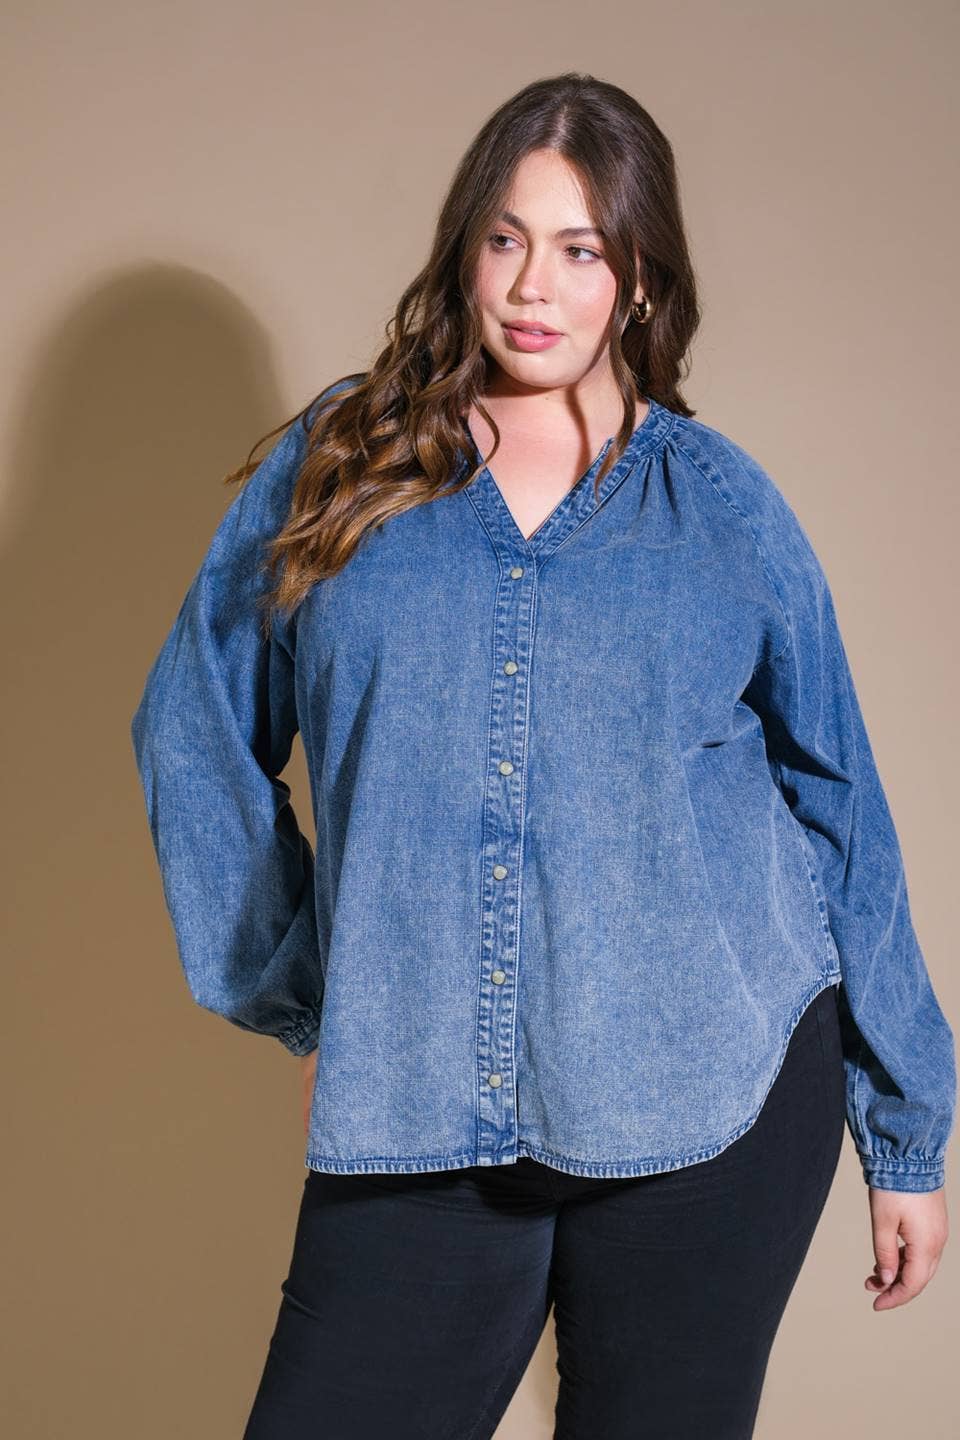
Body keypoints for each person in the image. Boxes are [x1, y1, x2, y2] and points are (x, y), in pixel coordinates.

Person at [130, 72, 955, 1440]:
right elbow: (193, 732)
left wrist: (907, 1132)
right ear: (464, 248)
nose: (532, 286)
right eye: (506, 238)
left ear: (638, 280)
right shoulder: (344, 464)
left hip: (713, 1101)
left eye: (581, 249)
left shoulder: (720, 506)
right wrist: (314, 1001)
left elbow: (840, 807)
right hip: (419, 1106)